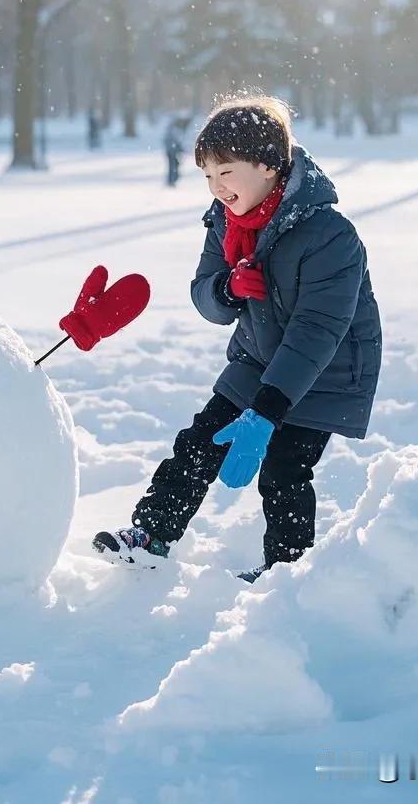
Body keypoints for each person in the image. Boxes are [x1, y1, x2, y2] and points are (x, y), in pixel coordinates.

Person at [93, 95, 382, 581]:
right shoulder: (225, 219)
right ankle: (151, 534)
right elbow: (203, 295)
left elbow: (318, 330)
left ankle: (285, 573)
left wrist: (268, 409)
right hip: (259, 355)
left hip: (327, 371)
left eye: (225, 172)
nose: (216, 186)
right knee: (199, 443)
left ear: (268, 164)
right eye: (207, 174)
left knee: (284, 469)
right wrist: (228, 288)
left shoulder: (330, 235)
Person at [163, 115, 190, 186]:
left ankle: (172, 180)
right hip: (171, 151)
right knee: (173, 166)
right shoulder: (174, 129)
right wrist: (180, 149)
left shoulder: (172, 128)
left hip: (171, 150)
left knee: (174, 165)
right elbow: (175, 141)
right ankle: (171, 180)